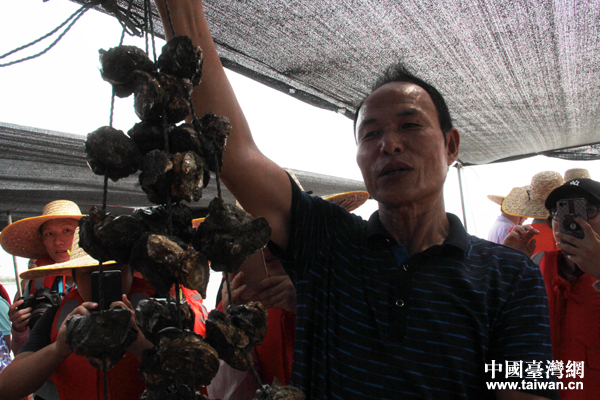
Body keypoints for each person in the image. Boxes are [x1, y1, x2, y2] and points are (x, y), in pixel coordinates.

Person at [156, 1, 558, 398]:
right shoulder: (327, 240)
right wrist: (180, 8)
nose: (389, 144)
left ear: (451, 146)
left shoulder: (513, 277)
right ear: (359, 159)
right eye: (371, 134)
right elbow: (235, 154)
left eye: (410, 125)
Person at [0, 249, 153, 400]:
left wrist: (138, 341)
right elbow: (5, 388)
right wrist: (59, 348)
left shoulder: (155, 312)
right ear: (75, 277)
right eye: (90, 273)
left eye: (115, 271)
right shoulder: (55, 317)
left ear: (132, 272)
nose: (101, 281)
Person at [503, 178, 600, 399]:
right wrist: (509, 265)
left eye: (588, 211)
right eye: (560, 211)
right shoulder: (535, 263)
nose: (573, 221)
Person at [0, 200, 83, 355]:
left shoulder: (105, 278)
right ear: (43, 241)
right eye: (49, 234)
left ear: (83, 235)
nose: (58, 242)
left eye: (67, 230)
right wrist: (18, 329)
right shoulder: (35, 282)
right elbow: (20, 354)